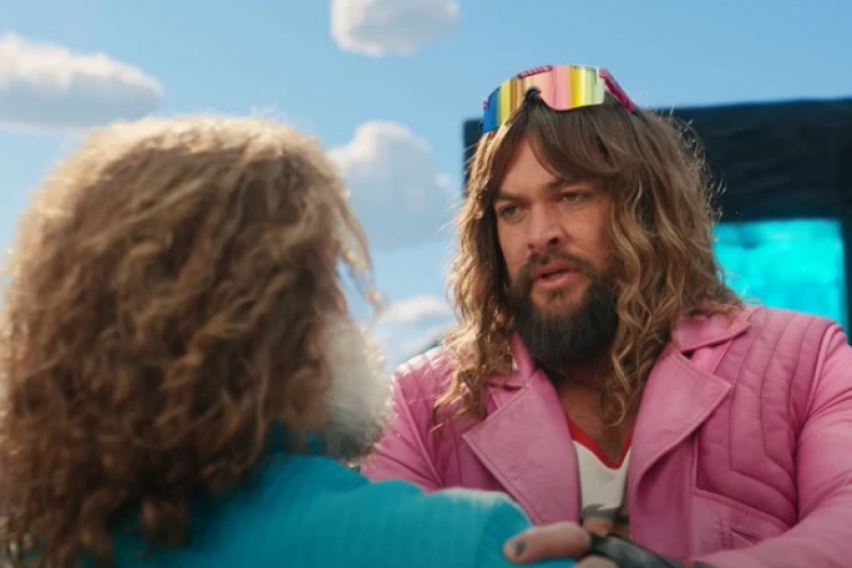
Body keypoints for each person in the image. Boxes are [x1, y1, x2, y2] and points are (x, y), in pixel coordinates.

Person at [0, 117, 575, 568]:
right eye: (331, 274)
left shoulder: (35, 547)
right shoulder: (469, 545)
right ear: (280, 316)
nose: (348, 306)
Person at [362, 64, 852, 568]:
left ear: (644, 209)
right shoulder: (423, 403)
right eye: (512, 210)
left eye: (571, 196)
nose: (540, 234)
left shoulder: (805, 362)